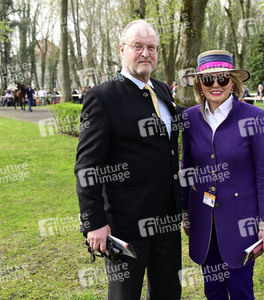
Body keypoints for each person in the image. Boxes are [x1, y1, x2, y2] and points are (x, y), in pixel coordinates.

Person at [75, 20, 184, 300]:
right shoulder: (102, 97)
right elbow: (87, 167)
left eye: (152, 48)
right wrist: (94, 223)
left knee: (168, 292)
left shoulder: (160, 89)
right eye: (138, 47)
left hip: (168, 219)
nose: (146, 53)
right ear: (122, 49)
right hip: (126, 225)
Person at [181, 50, 264, 300]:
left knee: (240, 288)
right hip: (204, 220)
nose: (215, 85)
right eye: (208, 79)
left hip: (242, 222)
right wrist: (184, 212)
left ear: (233, 82)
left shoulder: (252, 117)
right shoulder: (189, 118)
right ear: (199, 85)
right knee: (212, 289)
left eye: (222, 78)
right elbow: (187, 169)